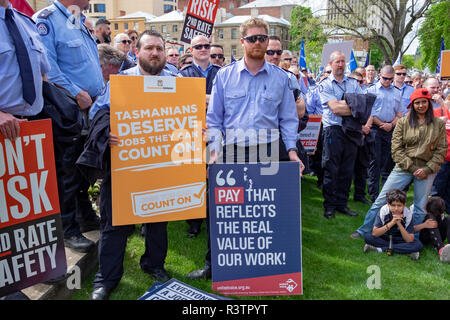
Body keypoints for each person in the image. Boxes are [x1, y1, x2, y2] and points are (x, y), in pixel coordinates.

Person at [187, 17, 304, 280]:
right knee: (223, 211)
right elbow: (214, 120)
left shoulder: (281, 79)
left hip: (269, 152)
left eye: (262, 38)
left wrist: (293, 153)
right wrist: (212, 156)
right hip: (231, 152)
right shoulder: (225, 76)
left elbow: (288, 119)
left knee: (265, 213)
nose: (258, 43)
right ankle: (214, 265)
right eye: (252, 38)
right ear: (242, 42)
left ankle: (263, 269)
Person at [87, 30, 175, 300]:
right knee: (114, 222)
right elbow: (96, 111)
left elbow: (187, 117)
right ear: (137, 51)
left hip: (161, 163)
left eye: (159, 48)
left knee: (159, 218)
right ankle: (106, 279)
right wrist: (107, 130)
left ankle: (154, 265)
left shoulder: (175, 81)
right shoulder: (121, 81)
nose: (155, 53)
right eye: (149, 48)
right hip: (125, 162)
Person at [35, 0, 104, 252]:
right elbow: (47, 69)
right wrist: (76, 93)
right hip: (66, 109)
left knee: (82, 169)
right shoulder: (47, 20)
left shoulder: (77, 19)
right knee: (66, 170)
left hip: (89, 109)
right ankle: (68, 230)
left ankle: (84, 216)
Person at [351, 88, 447, 239]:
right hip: (403, 167)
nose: (421, 105)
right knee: (381, 200)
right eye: (417, 103)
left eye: (424, 102)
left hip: (427, 169)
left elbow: (441, 150)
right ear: (412, 105)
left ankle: (411, 239)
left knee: (420, 208)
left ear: (429, 103)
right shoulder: (403, 122)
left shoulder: (438, 124)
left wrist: (427, 169)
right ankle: (364, 230)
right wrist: (413, 168)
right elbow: (396, 149)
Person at [178, 35, 221, 237]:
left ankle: (215, 217)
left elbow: (227, 102)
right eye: (199, 46)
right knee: (193, 180)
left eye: (206, 45)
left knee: (215, 176)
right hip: (191, 133)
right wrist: (209, 99)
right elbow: (182, 102)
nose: (203, 49)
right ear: (191, 50)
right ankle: (194, 223)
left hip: (216, 131)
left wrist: (202, 99)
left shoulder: (222, 73)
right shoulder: (183, 74)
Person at [318, 50, 362, 219]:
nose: (341, 64)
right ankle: (329, 206)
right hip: (333, 130)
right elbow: (335, 108)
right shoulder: (325, 84)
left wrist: (344, 105)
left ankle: (341, 204)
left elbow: (363, 106)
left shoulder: (353, 83)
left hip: (351, 131)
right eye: (337, 61)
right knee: (331, 168)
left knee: (347, 169)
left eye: (343, 61)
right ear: (331, 64)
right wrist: (352, 106)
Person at [365, 65, 403, 202]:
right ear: (379, 75)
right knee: (375, 161)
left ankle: (386, 192)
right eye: (385, 78)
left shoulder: (397, 92)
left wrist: (391, 124)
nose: (387, 81)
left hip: (391, 129)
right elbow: (369, 112)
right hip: (376, 128)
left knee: (387, 162)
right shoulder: (371, 90)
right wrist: (381, 124)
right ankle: (373, 193)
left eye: (390, 79)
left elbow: (399, 113)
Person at [363, 189, 423, 260]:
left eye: (399, 205)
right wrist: (392, 222)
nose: (396, 208)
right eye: (393, 205)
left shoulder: (408, 214)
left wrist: (399, 224)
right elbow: (375, 233)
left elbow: (409, 240)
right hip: (385, 237)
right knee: (368, 237)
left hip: (400, 238)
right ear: (388, 204)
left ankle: (379, 249)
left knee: (418, 245)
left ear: (404, 205)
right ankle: (406, 251)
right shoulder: (384, 210)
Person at [348, 71, 373, 205]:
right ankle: (343, 196)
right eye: (355, 81)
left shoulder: (365, 95)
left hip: (364, 135)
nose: (358, 84)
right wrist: (360, 128)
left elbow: (371, 113)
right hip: (350, 135)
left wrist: (366, 127)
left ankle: (360, 194)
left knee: (362, 166)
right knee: (346, 167)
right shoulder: (346, 94)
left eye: (360, 81)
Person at [414, 196, 450, 262]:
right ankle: (441, 250)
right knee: (430, 218)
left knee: (449, 219)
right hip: (424, 236)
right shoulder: (416, 208)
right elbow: (409, 230)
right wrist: (424, 225)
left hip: (438, 233)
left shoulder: (440, 210)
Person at [431, 94, 450, 213]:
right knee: (437, 187)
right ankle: (434, 212)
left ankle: (446, 211)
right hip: (441, 157)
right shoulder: (437, 112)